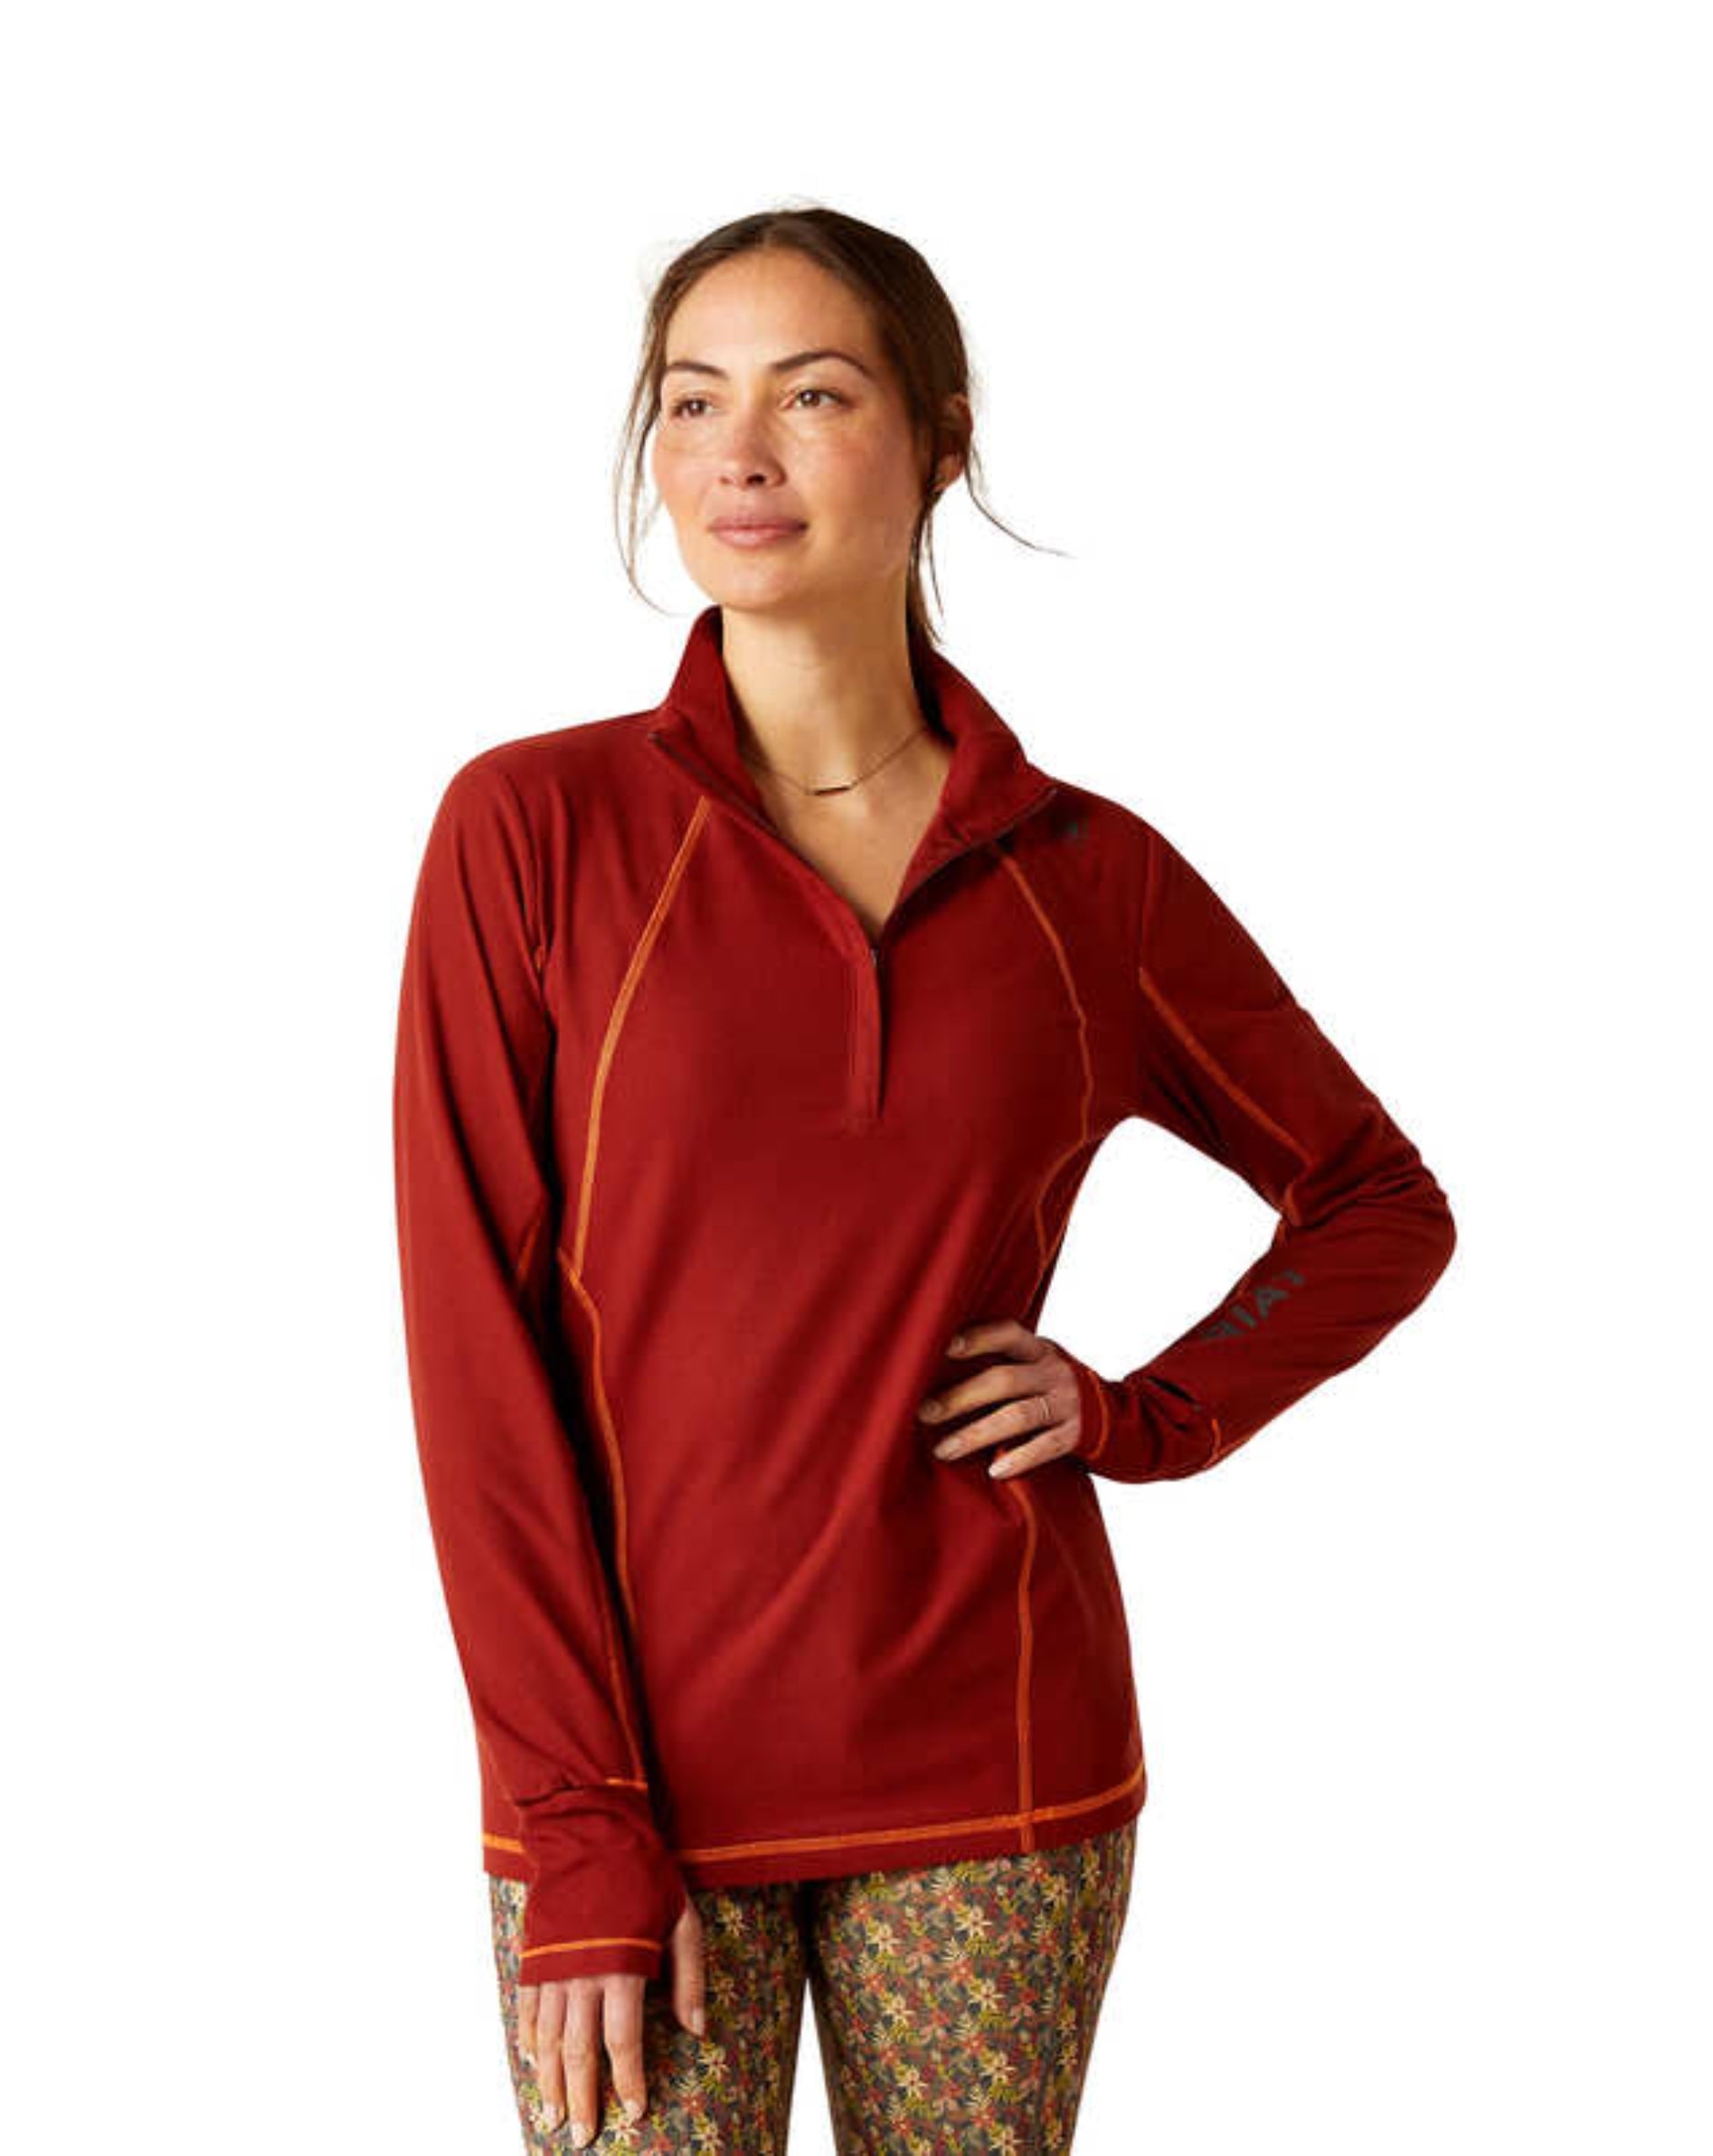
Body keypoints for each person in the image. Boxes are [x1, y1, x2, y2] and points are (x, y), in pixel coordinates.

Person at [392, 203, 1457, 2152]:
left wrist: (1141, 1413)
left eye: (812, 395)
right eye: (691, 400)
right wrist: (577, 1814)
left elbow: (1376, 1201)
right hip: (628, 1787)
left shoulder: (1084, 878)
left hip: (997, 1766)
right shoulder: (530, 830)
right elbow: (480, 1364)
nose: (738, 452)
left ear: (940, 440)